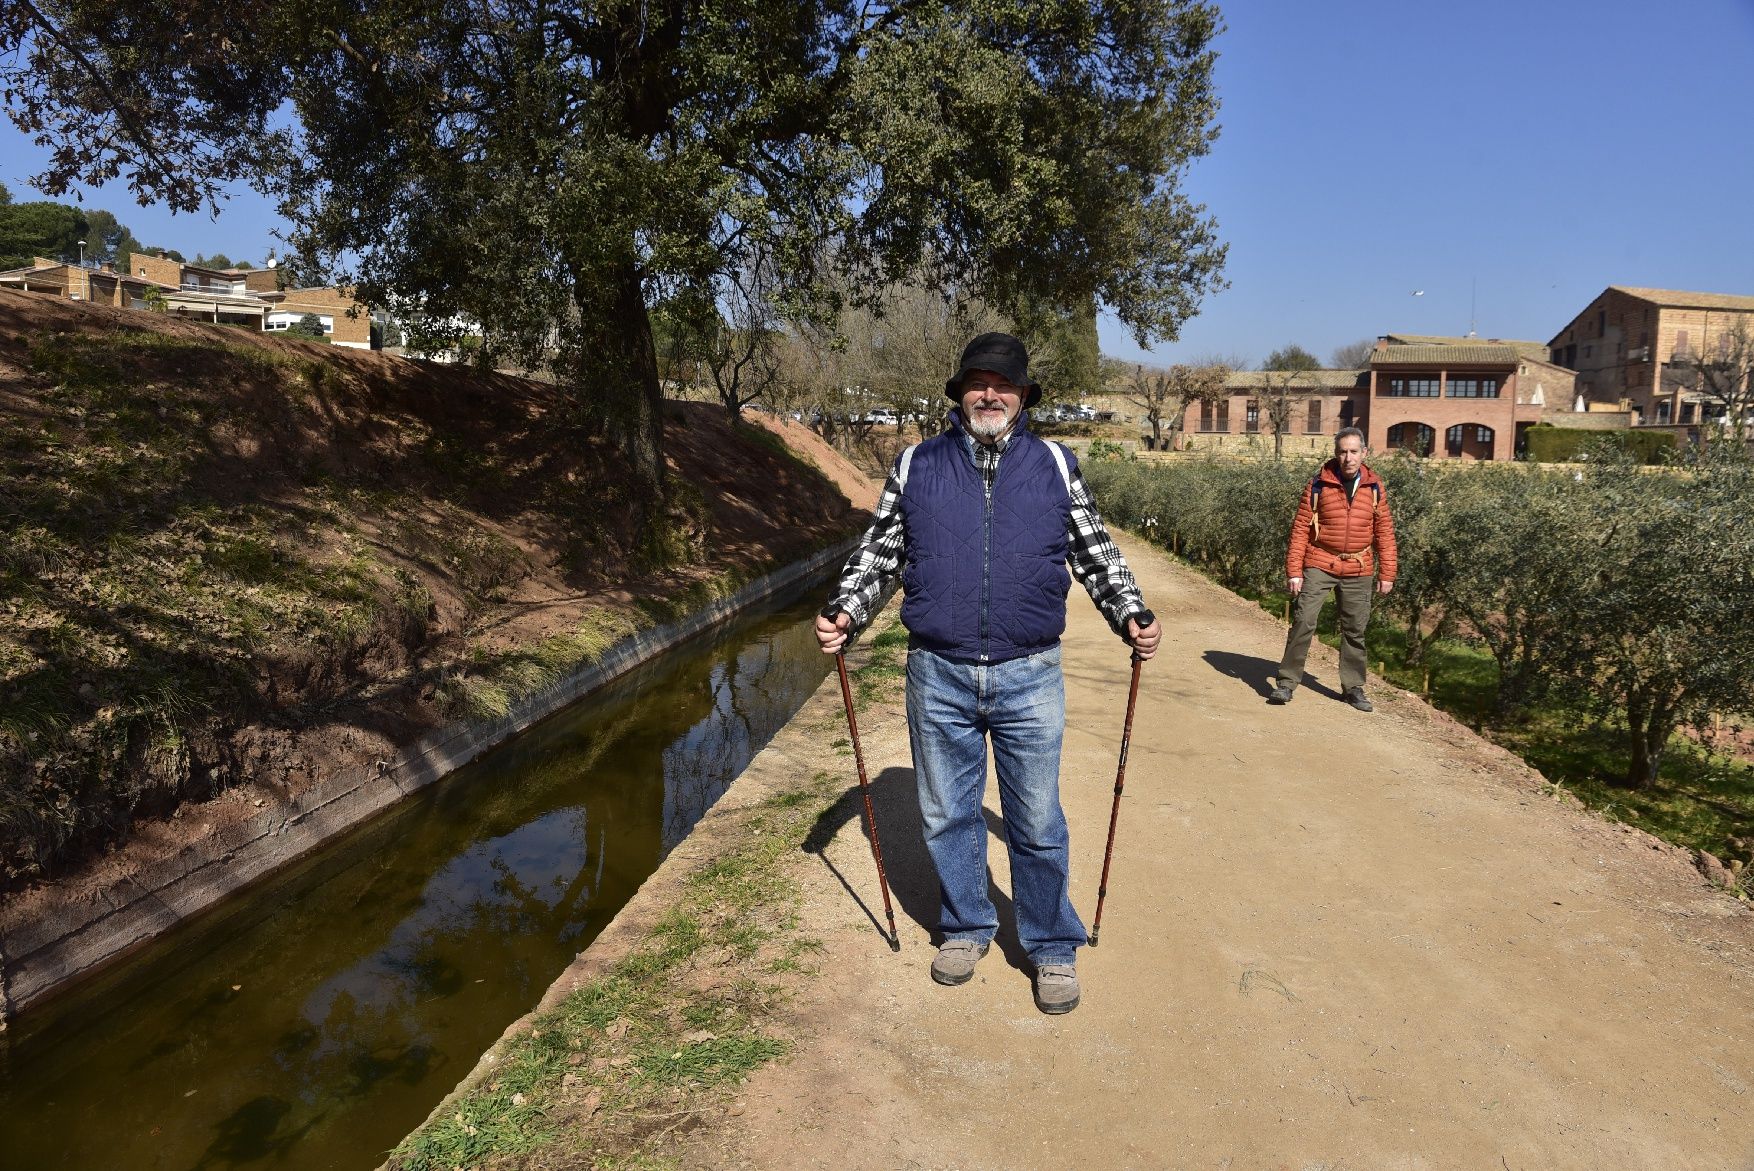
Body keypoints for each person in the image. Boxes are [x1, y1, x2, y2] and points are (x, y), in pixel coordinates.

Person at [816, 332, 1160, 1015]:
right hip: (937, 672)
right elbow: (880, 554)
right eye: (978, 381)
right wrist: (846, 610)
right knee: (946, 813)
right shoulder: (917, 465)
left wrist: (1131, 611)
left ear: (1024, 395)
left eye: (1003, 383)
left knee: (1035, 817)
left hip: (1029, 673)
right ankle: (967, 924)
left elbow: (1094, 551)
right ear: (960, 392)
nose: (990, 393)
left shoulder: (1057, 465)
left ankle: (1052, 942)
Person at [1268, 426, 1396, 711]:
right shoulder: (1317, 485)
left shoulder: (1375, 487)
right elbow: (1300, 529)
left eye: (1353, 451)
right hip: (1319, 561)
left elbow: (1384, 531)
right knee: (1304, 621)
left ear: (1364, 452)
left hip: (1359, 567)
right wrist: (1294, 571)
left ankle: (1353, 687)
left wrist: (1387, 573)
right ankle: (1286, 683)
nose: (1348, 457)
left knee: (1354, 630)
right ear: (1336, 454)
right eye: (1342, 451)